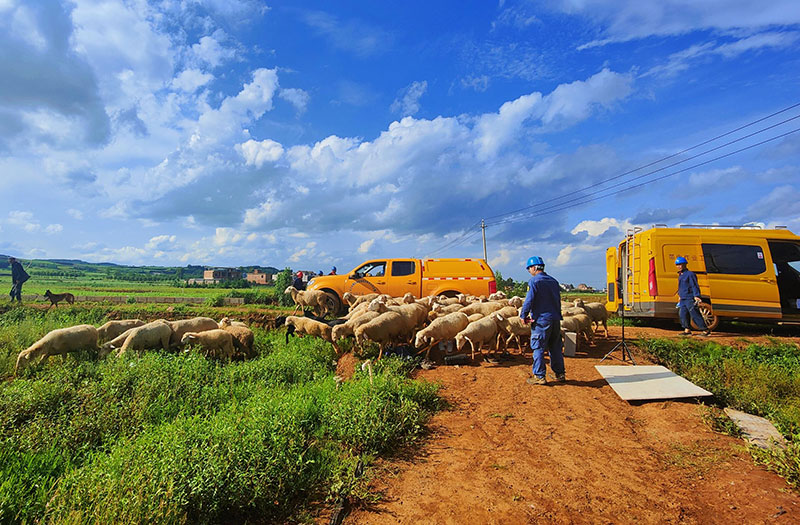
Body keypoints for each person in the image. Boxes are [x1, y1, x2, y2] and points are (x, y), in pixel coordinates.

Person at [520, 256, 565, 385]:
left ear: (534, 268)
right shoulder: (554, 281)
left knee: (538, 347)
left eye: (529, 269)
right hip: (555, 319)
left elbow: (529, 299)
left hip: (541, 320)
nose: (530, 272)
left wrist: (524, 315)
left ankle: (539, 376)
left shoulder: (534, 282)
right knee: (555, 347)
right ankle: (560, 374)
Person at [675, 256, 711, 336]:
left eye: (681, 264)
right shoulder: (680, 275)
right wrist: (680, 296)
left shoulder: (690, 274)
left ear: (685, 264)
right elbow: (681, 286)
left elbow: (694, 285)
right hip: (683, 298)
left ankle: (705, 330)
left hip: (689, 298)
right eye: (677, 265)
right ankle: (687, 330)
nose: (679, 266)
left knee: (694, 314)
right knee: (683, 314)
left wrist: (696, 296)